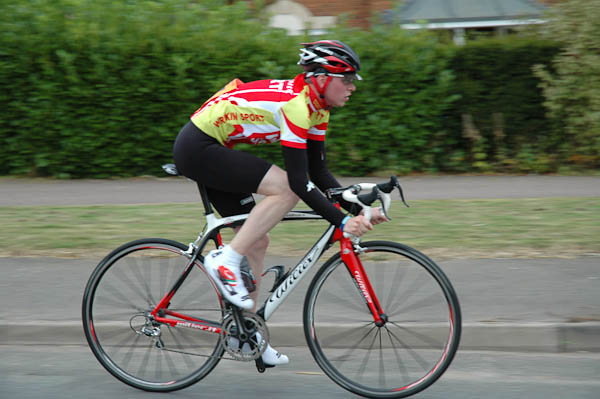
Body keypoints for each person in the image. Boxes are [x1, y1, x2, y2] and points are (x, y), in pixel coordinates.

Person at [173, 40, 388, 366]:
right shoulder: (297, 107)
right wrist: (342, 222)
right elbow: (301, 184)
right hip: (198, 147)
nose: (352, 87)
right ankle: (224, 260)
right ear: (320, 79)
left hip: (214, 148)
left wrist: (359, 209)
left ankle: (244, 333)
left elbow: (319, 173)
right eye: (346, 79)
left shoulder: (317, 110)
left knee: (258, 239)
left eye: (353, 80)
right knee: (286, 189)